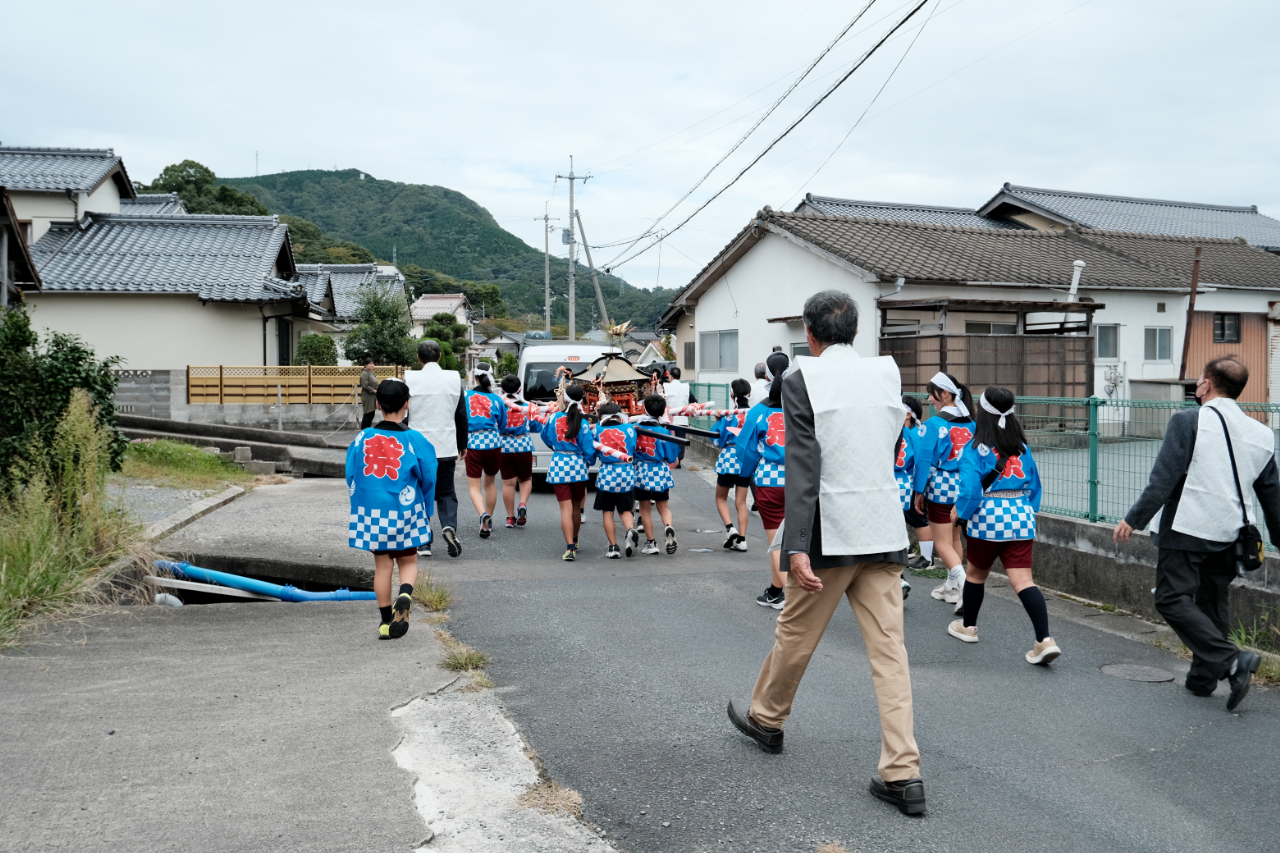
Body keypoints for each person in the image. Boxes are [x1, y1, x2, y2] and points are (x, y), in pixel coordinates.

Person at [727, 290, 924, 816]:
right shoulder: (887, 374)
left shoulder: (799, 379)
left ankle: (767, 719)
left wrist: (794, 547)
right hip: (883, 529)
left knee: (795, 634)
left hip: (826, 534)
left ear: (810, 335)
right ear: (854, 332)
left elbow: (803, 467)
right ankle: (903, 773)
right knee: (890, 654)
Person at [1115, 356, 1280, 710]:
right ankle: (1203, 681)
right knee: (1211, 602)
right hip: (1232, 532)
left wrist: (1134, 518)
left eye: (1199, 381)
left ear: (1206, 384)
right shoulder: (1261, 434)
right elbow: (1271, 493)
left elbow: (1164, 478)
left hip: (1187, 526)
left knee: (1171, 599)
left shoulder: (1189, 421)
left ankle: (1233, 661)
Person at [947, 386, 1058, 663]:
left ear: (981, 413)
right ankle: (1044, 640)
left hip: (988, 519)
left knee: (975, 575)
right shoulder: (1022, 447)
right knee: (1024, 581)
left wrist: (960, 514)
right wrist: (1026, 513)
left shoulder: (974, 449)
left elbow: (971, 491)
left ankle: (969, 627)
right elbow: (1034, 486)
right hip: (1020, 516)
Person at [346, 378, 437, 640]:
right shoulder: (414, 439)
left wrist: (359, 502)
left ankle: (386, 623)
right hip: (406, 508)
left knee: (382, 566)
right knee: (408, 561)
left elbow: (351, 474)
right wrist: (426, 509)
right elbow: (429, 475)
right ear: (407, 405)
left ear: (377, 404)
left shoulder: (363, 436)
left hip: (373, 512)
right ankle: (405, 594)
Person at [911, 372, 975, 604]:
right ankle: (951, 586)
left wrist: (919, 491)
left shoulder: (934, 424)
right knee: (955, 538)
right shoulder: (972, 424)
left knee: (942, 542)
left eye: (931, 393)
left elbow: (923, 460)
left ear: (945, 394)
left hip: (941, 487)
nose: (929, 399)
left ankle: (964, 584)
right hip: (965, 486)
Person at [403, 340, 467, 558]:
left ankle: (423, 543)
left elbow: (405, 415)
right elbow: (461, 415)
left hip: (417, 448)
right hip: (446, 445)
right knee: (446, 492)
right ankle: (449, 526)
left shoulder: (410, 379)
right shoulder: (452, 379)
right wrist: (462, 444)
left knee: (420, 494)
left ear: (419, 358)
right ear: (439, 356)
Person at [736, 352, 790, 609]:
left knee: (776, 541)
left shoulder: (758, 411)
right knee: (789, 540)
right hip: (801, 481)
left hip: (769, 481)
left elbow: (745, 449)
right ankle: (775, 590)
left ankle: (793, 598)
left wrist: (744, 479)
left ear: (766, 375)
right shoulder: (803, 407)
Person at [541, 383, 596, 561]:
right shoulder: (584, 423)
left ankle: (569, 547)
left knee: (564, 509)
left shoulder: (555, 418)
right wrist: (590, 460)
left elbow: (545, 436)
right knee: (576, 508)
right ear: (582, 400)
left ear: (564, 398)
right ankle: (576, 539)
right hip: (578, 467)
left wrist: (556, 448)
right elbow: (588, 451)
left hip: (559, 464)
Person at [632, 394, 680, 555]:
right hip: (659, 470)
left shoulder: (635, 429)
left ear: (644, 408)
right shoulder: (663, 431)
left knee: (644, 508)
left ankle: (651, 543)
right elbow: (672, 457)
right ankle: (668, 527)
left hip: (640, 470)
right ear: (661, 412)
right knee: (663, 506)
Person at [464, 362, 507, 539]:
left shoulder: (465, 396)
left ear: (475, 377)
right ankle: (488, 523)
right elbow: (503, 425)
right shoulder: (497, 399)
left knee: (474, 486)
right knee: (490, 483)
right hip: (493, 443)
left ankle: (482, 514)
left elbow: (459, 420)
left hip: (473, 443)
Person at [593, 402, 640, 558]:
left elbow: (592, 451)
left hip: (607, 474)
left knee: (608, 511)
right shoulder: (630, 429)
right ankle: (629, 530)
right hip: (627, 473)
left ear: (601, 416)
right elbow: (634, 448)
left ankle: (613, 547)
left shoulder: (597, 430)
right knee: (626, 509)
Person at [714, 378, 752, 552]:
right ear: (749, 394)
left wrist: (718, 418)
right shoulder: (754, 414)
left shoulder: (729, 414)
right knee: (741, 502)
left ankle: (731, 529)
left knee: (721, 498)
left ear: (732, 395)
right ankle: (742, 539)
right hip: (747, 459)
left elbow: (718, 439)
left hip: (729, 457)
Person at [899, 396, 934, 572]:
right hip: (910, 483)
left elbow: (913, 460)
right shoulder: (913, 431)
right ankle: (907, 549)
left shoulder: (912, 433)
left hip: (912, 484)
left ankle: (928, 558)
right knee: (902, 516)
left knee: (918, 519)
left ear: (907, 414)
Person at [497, 374, 534, 529]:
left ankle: (510, 518)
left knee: (508, 484)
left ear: (502, 389)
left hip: (504, 446)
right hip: (523, 445)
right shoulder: (527, 406)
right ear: (520, 389)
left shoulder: (499, 405)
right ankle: (523, 504)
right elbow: (536, 425)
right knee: (525, 479)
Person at [662, 366, 695, 467]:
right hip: (682, 418)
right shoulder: (686, 387)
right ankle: (679, 461)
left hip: (668, 419)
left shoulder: (665, 387)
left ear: (670, 376)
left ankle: (670, 460)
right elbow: (694, 401)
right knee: (681, 440)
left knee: (669, 439)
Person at [359, 358, 379, 430]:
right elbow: (365, 385)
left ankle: (367, 429)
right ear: (365, 365)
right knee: (368, 413)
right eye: (370, 364)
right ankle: (364, 430)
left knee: (371, 413)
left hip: (372, 396)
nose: (372, 365)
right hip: (368, 396)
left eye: (373, 364)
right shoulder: (364, 373)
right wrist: (374, 391)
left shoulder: (371, 373)